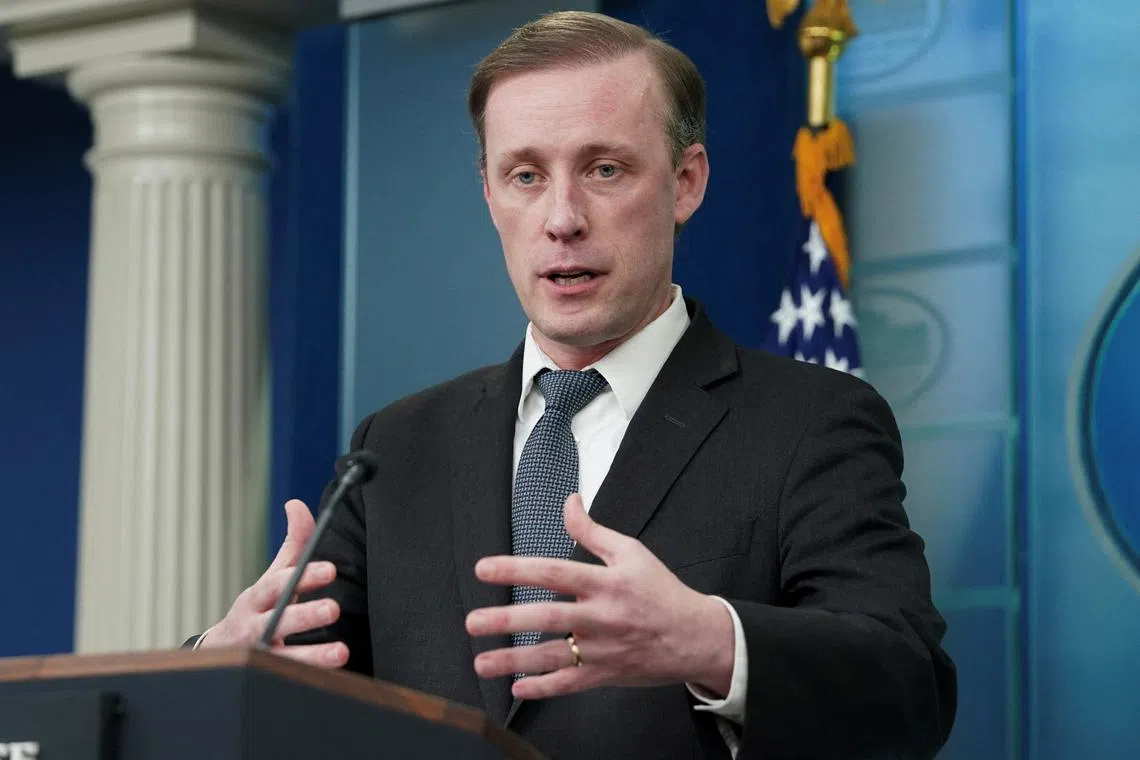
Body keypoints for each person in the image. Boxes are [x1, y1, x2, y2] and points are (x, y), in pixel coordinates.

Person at [188, 10, 956, 759]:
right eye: (525, 175)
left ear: (686, 183)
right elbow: (303, 681)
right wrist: (224, 663)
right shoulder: (395, 446)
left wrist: (709, 639)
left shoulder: (810, 420)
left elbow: (909, 684)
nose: (562, 218)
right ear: (490, 196)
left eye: (605, 169)